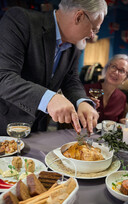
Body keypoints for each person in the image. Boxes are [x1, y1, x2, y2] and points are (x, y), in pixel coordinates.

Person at [0, 0, 107, 136]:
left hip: (38, 130)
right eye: (94, 29)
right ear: (78, 17)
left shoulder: (75, 45)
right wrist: (49, 99)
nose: (92, 35)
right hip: (5, 127)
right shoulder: (20, 20)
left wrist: (82, 101)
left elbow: (71, 80)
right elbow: (4, 77)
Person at [84, 54, 128, 123]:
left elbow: (118, 121)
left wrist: (122, 122)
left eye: (122, 71)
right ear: (107, 68)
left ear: (125, 79)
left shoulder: (122, 98)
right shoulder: (87, 89)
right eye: (113, 67)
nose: (116, 72)